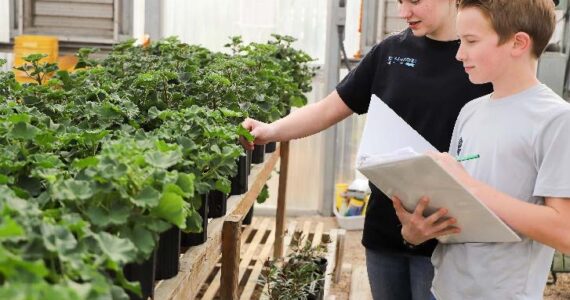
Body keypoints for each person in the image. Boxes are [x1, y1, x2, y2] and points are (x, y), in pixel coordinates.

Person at [241, 1, 492, 299]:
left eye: (414, 1)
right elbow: (328, 109)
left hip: (448, 239)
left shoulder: (480, 60)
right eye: (400, 2)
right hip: (385, 234)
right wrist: (272, 131)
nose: (404, 12)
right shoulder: (389, 53)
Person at [391, 0, 570, 298]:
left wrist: (470, 186)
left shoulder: (557, 119)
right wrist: (416, 229)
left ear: (518, 43)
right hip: (444, 289)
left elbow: (564, 231)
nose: (460, 54)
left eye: (471, 41)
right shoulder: (470, 112)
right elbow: (458, 202)